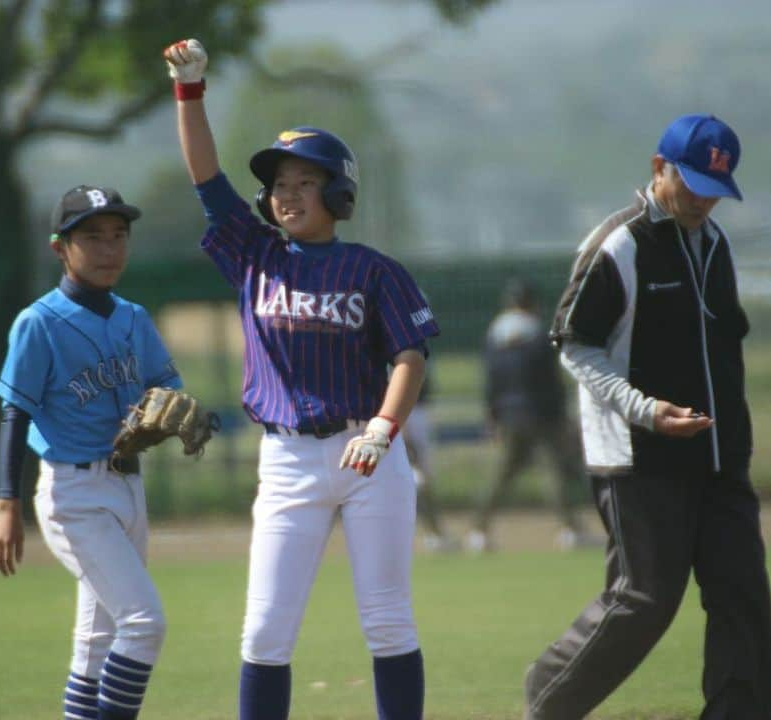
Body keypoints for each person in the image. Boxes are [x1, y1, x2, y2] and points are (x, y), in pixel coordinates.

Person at [165, 38, 440, 720]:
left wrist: (383, 429)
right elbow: (206, 180)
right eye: (279, 185)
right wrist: (190, 91)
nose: (287, 195)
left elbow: (411, 358)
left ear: (338, 193)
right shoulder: (254, 255)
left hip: (368, 454)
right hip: (286, 457)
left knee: (387, 622)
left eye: (304, 183)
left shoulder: (373, 269)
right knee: (264, 632)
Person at [523, 114, 771, 719]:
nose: (702, 201)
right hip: (639, 459)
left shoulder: (715, 246)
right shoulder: (619, 244)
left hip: (719, 457)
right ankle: (549, 701)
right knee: (644, 598)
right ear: (658, 168)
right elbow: (574, 344)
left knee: (742, 590)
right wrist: (645, 411)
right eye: (690, 183)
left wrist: (735, 435)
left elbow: (724, 345)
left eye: (715, 190)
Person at [0, 185, 184, 720]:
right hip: (73, 492)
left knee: (97, 642)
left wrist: (167, 415)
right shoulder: (39, 323)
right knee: (143, 624)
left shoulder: (133, 318)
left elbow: (167, 390)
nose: (109, 249)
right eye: (92, 238)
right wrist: (7, 507)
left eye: (119, 236)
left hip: (127, 486)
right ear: (60, 247)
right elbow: (15, 413)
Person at [465, 277, 594, 554]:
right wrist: (560, 415)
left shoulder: (495, 335)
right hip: (540, 414)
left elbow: (491, 381)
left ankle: (478, 531)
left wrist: (492, 414)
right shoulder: (538, 334)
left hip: (509, 415)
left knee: (500, 475)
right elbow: (551, 382)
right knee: (553, 472)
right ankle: (570, 530)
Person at [403, 373, 457, 552]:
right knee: (418, 482)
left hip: (413, 413)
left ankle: (434, 534)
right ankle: (434, 535)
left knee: (421, 482)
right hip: (402, 415)